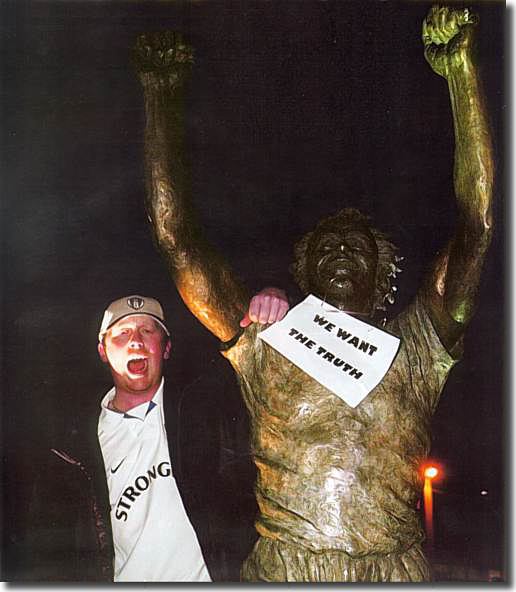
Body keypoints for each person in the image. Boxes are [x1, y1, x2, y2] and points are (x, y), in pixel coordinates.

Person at [134, 4, 494, 583]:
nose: (340, 252)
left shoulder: (418, 346)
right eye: (326, 247)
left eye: (356, 246)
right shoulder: (266, 339)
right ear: (303, 273)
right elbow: (177, 240)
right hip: (287, 566)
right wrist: (159, 98)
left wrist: (461, 72)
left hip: (396, 568)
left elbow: (477, 225)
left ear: (384, 274)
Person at [24, 289, 288, 582]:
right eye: (122, 333)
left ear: (166, 348)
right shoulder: (71, 451)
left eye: (148, 331)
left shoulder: (209, 411)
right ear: (103, 350)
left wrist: (272, 296)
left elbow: (269, 379)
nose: (136, 340)